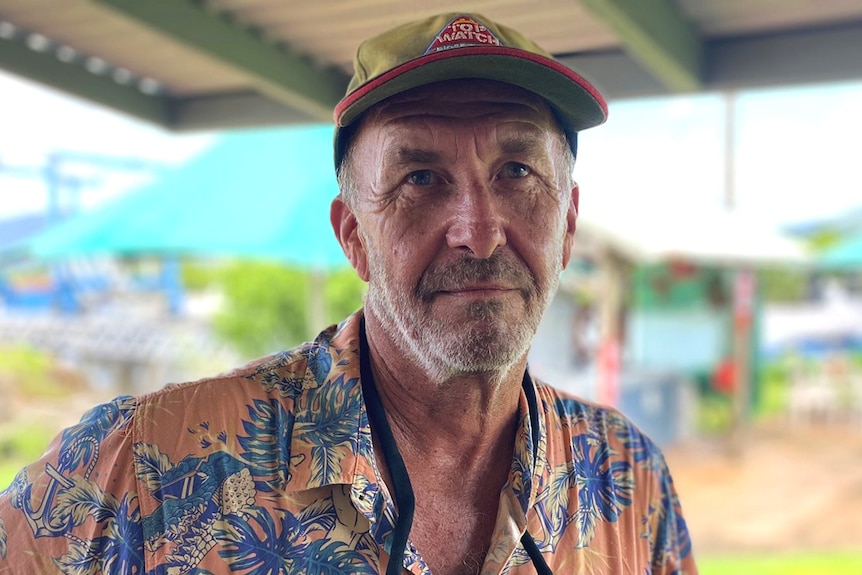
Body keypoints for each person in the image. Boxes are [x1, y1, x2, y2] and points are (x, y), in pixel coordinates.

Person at [0, 12, 696, 575]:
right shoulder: (145, 466)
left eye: (517, 170)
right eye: (419, 177)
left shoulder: (627, 481)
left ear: (567, 223)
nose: (479, 232)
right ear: (353, 234)